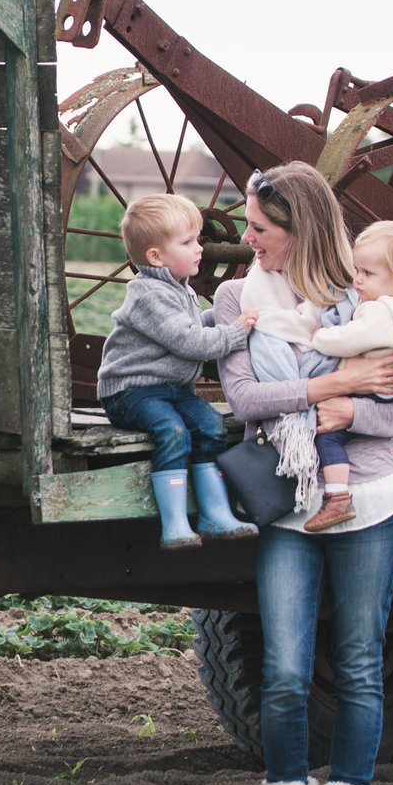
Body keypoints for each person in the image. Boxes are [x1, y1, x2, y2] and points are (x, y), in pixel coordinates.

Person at [213, 164, 393, 785]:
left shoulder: (369, 294)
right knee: (282, 670)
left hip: (369, 504)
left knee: (360, 665)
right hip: (288, 506)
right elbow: (246, 400)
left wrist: (350, 411)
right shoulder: (234, 298)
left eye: (260, 227)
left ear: (300, 228)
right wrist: (336, 381)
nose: (247, 238)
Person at [95, 192, 263, 551]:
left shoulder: (176, 288)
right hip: (131, 391)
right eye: (188, 242)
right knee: (173, 432)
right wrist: (236, 332)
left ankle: (214, 515)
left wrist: (220, 319)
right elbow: (190, 343)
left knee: (212, 427)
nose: (200, 248)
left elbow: (189, 327)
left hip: (171, 388)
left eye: (198, 238)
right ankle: (174, 524)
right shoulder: (148, 294)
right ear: (155, 256)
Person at [299, 218, 393, 531]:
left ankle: (337, 498)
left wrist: (319, 336)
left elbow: (352, 338)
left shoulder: (380, 310)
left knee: (328, 436)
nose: (357, 281)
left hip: (376, 388)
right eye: (357, 270)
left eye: (367, 273)